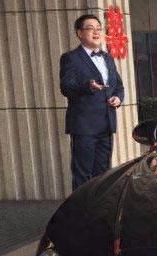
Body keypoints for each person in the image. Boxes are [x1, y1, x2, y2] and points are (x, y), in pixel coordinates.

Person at [59, 14, 124, 191]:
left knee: (103, 175)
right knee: (83, 175)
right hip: (84, 127)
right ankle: (81, 209)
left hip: (106, 125)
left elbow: (118, 86)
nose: (96, 32)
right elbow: (66, 87)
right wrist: (88, 86)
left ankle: (100, 207)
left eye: (98, 28)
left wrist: (118, 98)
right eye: (90, 28)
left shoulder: (107, 57)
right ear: (79, 33)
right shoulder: (71, 58)